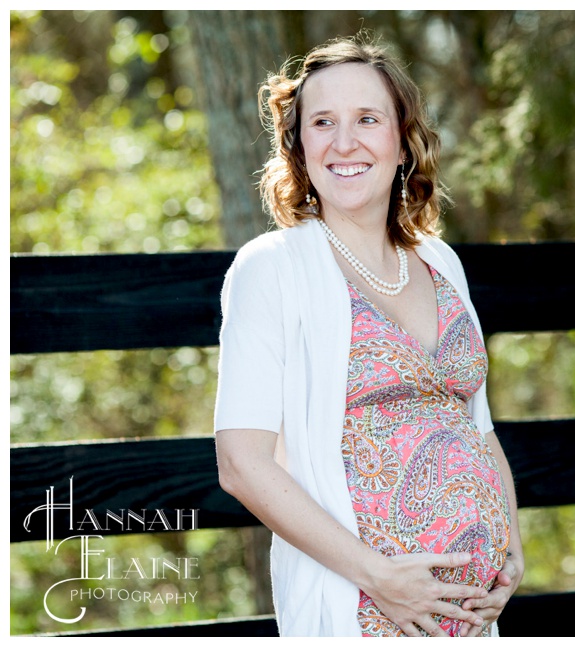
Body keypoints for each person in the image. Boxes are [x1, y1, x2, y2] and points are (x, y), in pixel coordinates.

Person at [213, 34, 524, 637]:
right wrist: (379, 577)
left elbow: (477, 427)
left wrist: (511, 546)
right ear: (298, 146)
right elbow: (241, 464)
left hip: (472, 621)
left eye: (367, 119)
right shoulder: (272, 268)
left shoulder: (441, 264)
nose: (344, 142)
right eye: (322, 122)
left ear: (402, 141)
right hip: (362, 615)